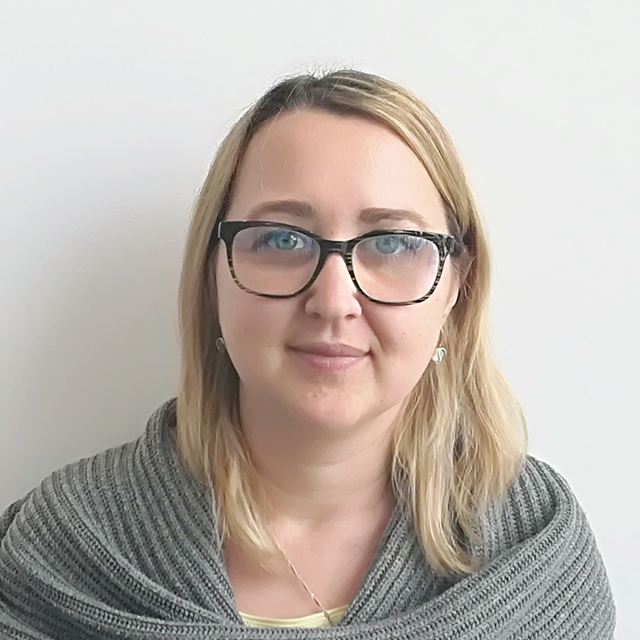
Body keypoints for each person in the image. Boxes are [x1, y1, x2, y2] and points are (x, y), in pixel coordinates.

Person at [0, 69, 615, 639]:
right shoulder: (65, 549)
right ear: (212, 275)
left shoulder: (536, 560)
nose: (333, 301)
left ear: (457, 285)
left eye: (393, 243)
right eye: (281, 239)